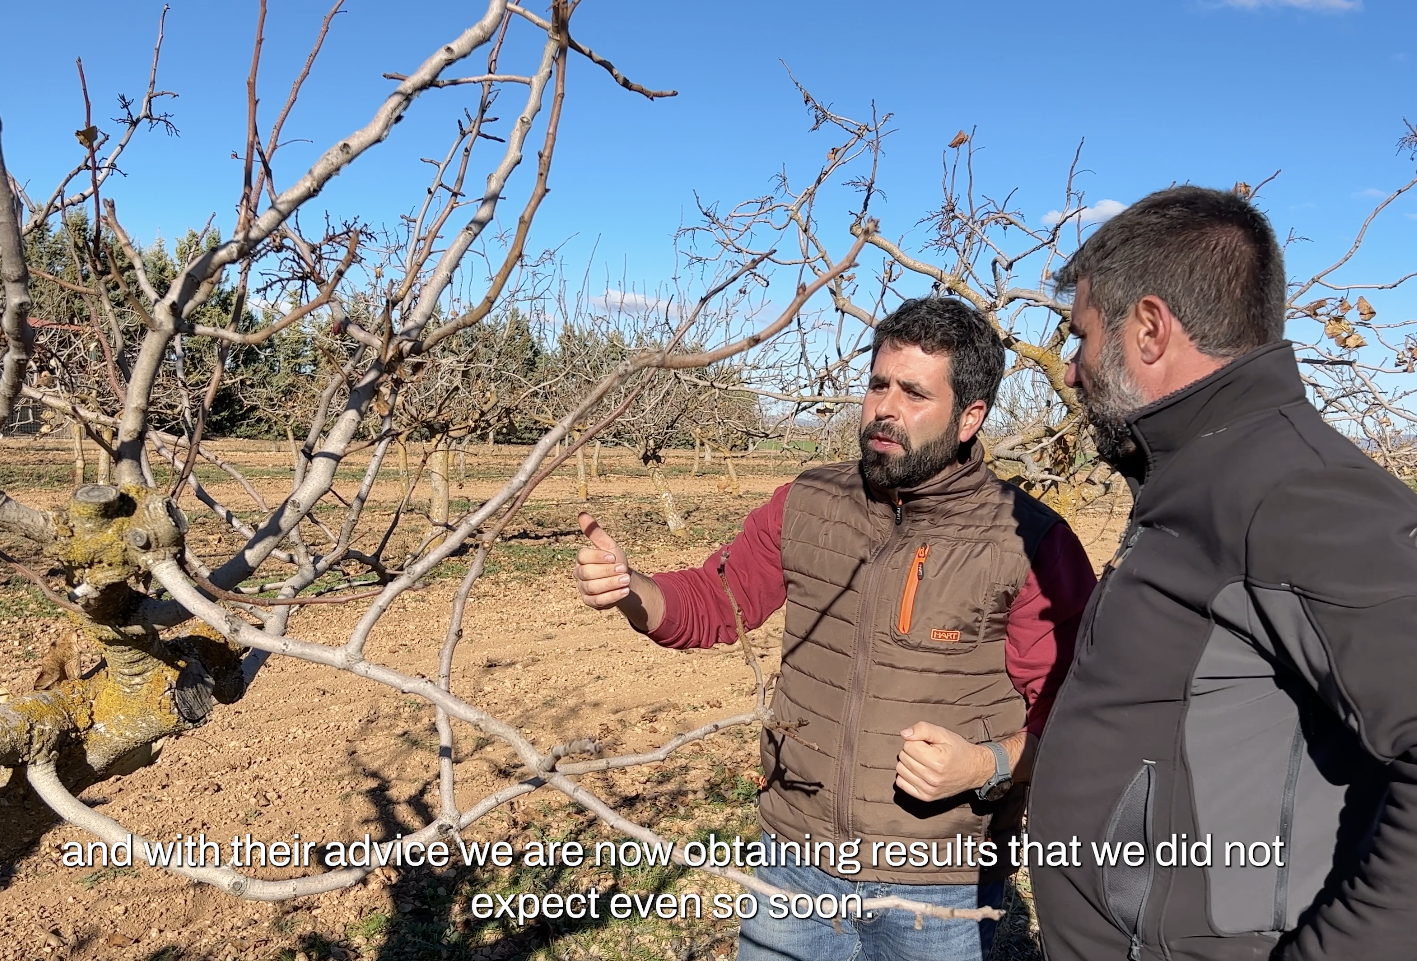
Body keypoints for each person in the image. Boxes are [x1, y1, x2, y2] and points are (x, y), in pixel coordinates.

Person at [574, 297, 1097, 961]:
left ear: (970, 417)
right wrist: (630, 588)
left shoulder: (1030, 541)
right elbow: (716, 599)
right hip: (794, 862)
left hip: (937, 888)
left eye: (913, 393)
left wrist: (982, 764)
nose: (885, 407)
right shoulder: (807, 503)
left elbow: (1074, 717)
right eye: (878, 384)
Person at [1028, 185, 1417, 961]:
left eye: (1080, 337)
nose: (1069, 371)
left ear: (1147, 327)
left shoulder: (1291, 491)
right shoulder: (1200, 477)